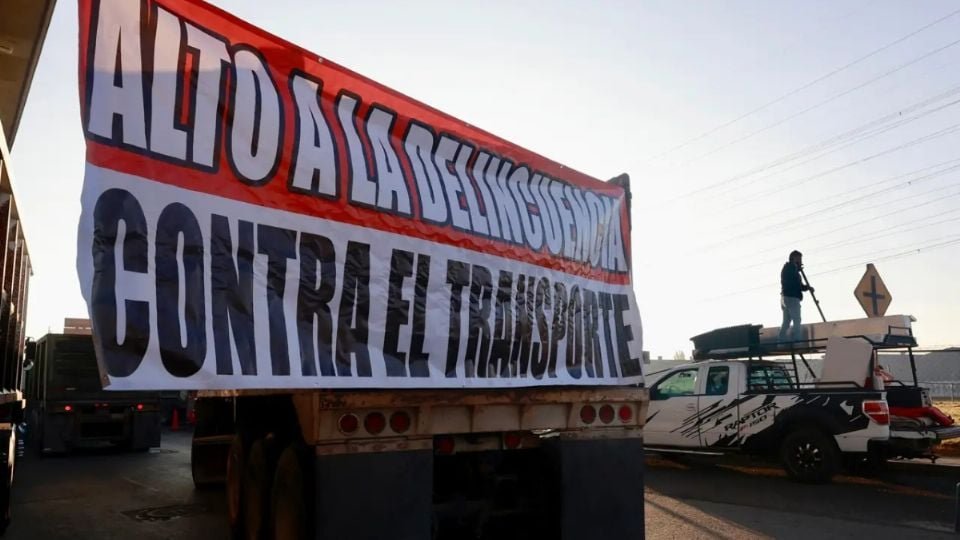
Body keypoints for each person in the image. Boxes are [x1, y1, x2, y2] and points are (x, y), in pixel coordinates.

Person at [778, 250, 813, 343]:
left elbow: (799, 285)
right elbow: (796, 284)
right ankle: (797, 339)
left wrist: (807, 288)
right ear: (794, 258)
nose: (801, 261)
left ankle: (781, 340)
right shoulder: (791, 268)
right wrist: (797, 269)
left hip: (786, 297)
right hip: (792, 297)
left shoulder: (790, 268)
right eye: (799, 259)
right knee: (797, 319)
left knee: (786, 321)